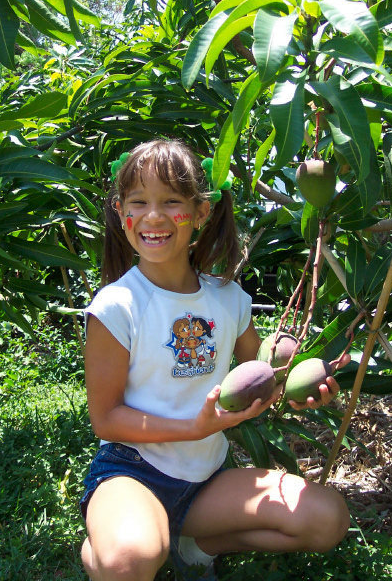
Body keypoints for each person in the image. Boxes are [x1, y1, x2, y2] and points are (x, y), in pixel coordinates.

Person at [80, 139, 351, 581]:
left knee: (326, 519)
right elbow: (106, 419)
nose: (153, 216)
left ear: (201, 212)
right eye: (138, 202)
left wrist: (297, 393)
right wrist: (193, 428)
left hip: (205, 480)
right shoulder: (117, 305)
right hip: (132, 473)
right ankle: (109, 545)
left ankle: (191, 542)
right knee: (129, 561)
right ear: (119, 211)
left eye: (171, 201)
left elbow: (265, 377)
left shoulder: (228, 299)